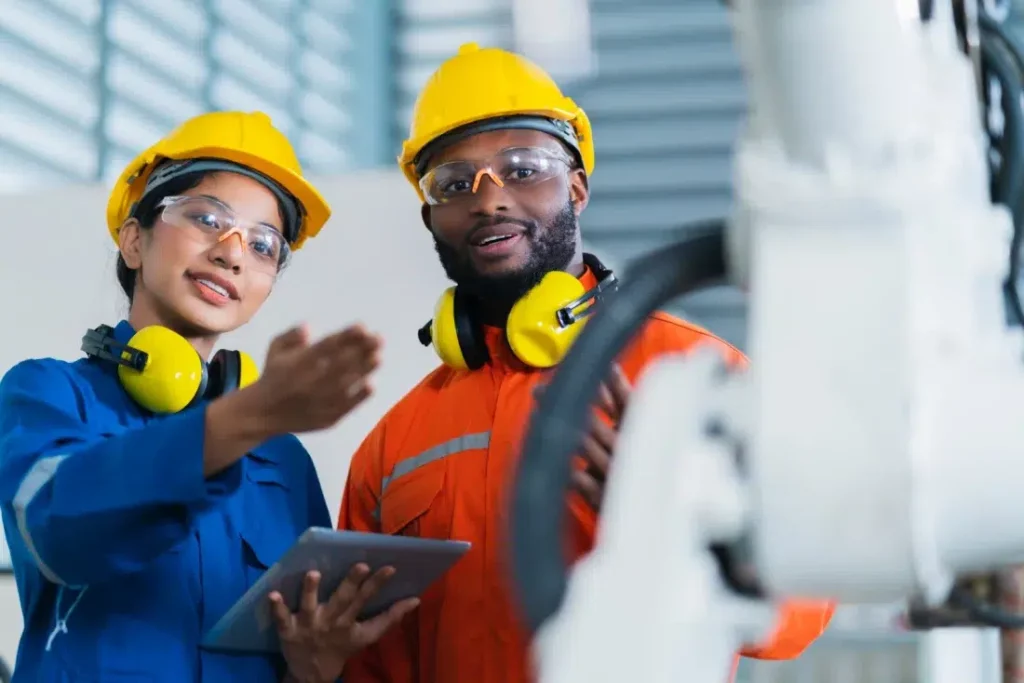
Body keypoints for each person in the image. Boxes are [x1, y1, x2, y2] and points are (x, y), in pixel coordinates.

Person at [335, 44, 836, 683]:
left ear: (576, 186)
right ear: (432, 216)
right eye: (455, 184)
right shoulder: (393, 443)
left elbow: (801, 612)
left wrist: (683, 517)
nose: (489, 200)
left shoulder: (695, 373)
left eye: (522, 168)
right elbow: (369, 665)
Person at [0, 111, 415, 683]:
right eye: (206, 218)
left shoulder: (281, 459)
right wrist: (239, 421)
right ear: (133, 241)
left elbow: (297, 644)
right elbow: (56, 531)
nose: (233, 252)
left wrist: (315, 669)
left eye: (265, 245)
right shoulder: (47, 393)